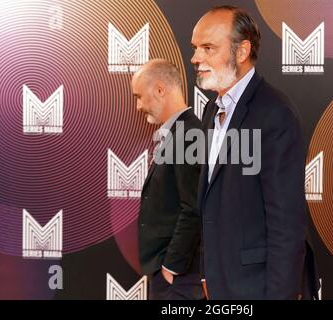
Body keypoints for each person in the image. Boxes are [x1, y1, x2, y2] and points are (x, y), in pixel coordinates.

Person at [191, 5, 320, 299]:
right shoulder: (212, 110)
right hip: (221, 283)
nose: (196, 58)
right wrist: (206, 274)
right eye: (196, 48)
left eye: (208, 48)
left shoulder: (275, 113)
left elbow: (286, 223)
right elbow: (211, 203)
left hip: (259, 287)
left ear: (242, 51)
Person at [132, 59, 204, 300]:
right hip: (173, 277)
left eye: (140, 96)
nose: (138, 106)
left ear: (160, 90)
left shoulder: (188, 134)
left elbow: (193, 207)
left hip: (180, 279)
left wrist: (171, 267)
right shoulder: (178, 132)